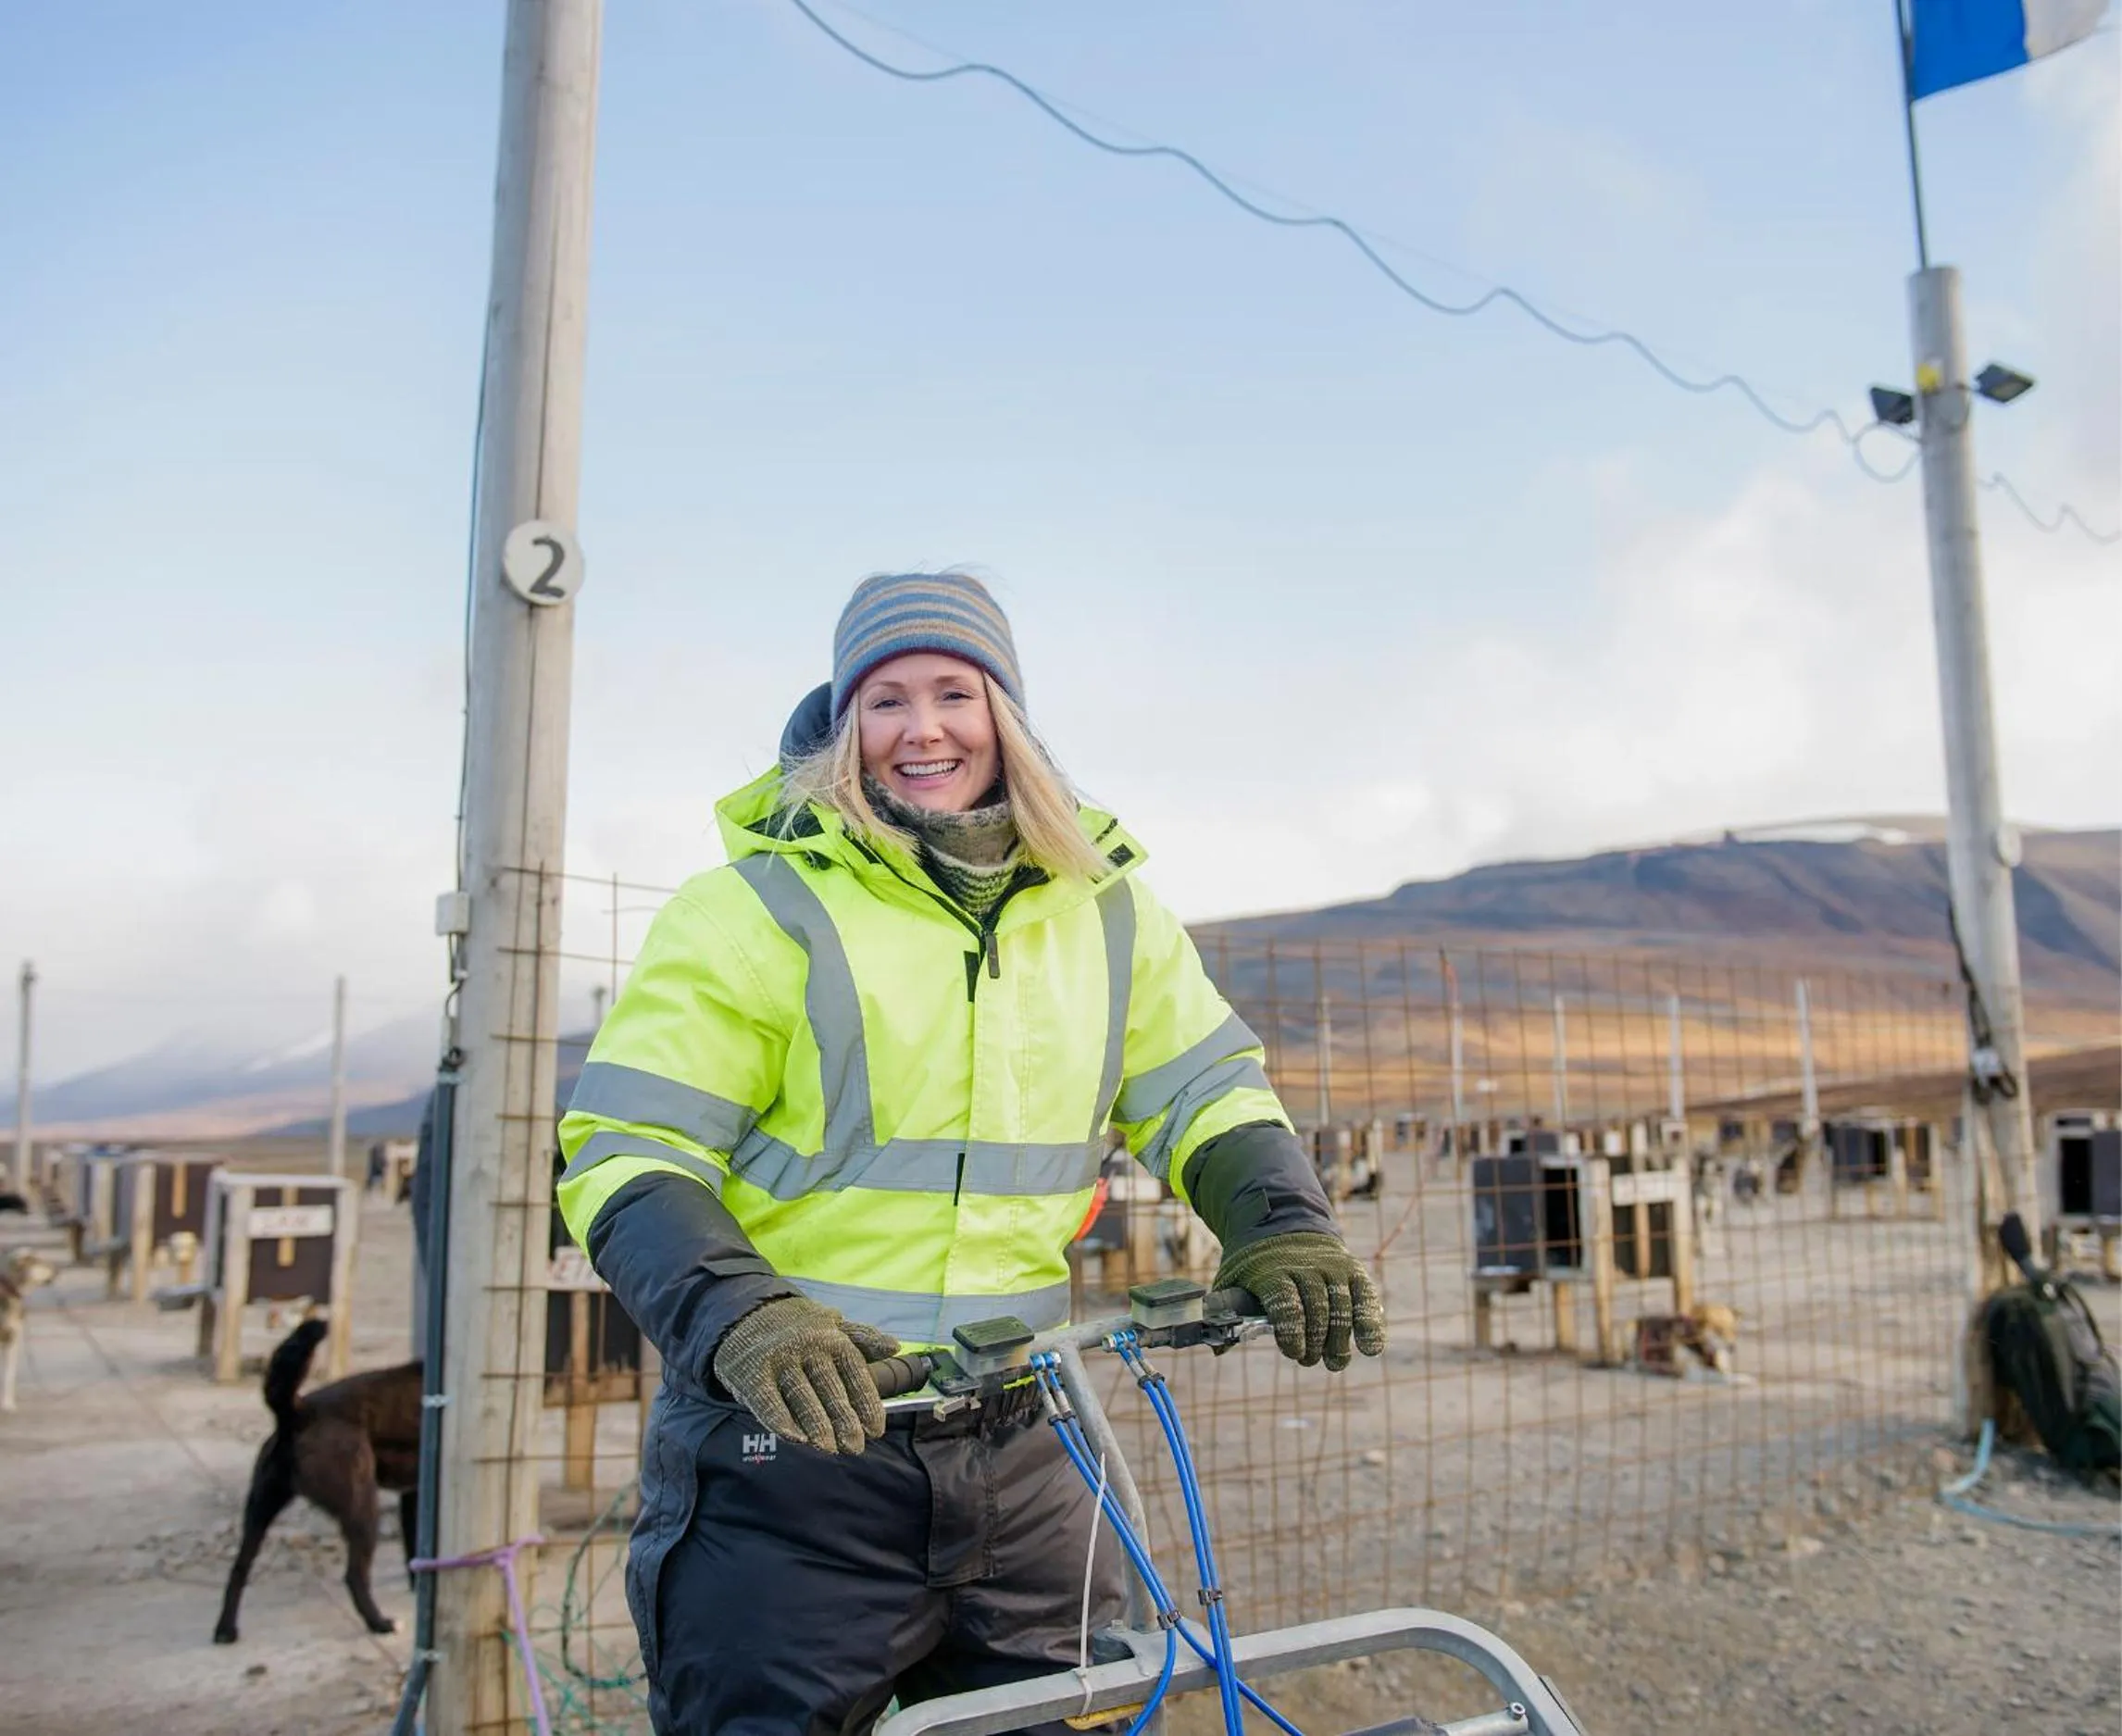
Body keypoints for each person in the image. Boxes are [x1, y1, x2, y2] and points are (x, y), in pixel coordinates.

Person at [556, 571, 1386, 1736]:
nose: (923, 727)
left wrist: (1282, 1221)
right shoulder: (752, 910)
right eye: (886, 699)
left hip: (1024, 1452)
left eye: (955, 690)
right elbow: (629, 1146)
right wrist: (746, 1317)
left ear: (1007, 715)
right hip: (790, 1464)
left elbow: (1203, 1089)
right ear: (847, 727)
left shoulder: (1108, 912)